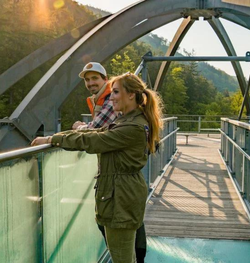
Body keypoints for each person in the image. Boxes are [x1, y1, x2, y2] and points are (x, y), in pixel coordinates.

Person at [32, 73, 164, 263]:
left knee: (122, 257)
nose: (111, 98)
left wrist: (53, 139)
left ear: (131, 95)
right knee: (126, 255)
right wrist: (60, 135)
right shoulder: (126, 121)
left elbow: (93, 139)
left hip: (121, 197)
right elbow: (96, 132)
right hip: (120, 194)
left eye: (116, 92)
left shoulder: (132, 127)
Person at [72, 62, 118, 130]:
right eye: (87, 80)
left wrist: (78, 127)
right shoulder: (99, 98)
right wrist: (86, 125)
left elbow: (96, 128)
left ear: (105, 79)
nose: (91, 83)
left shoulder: (112, 97)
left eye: (95, 78)